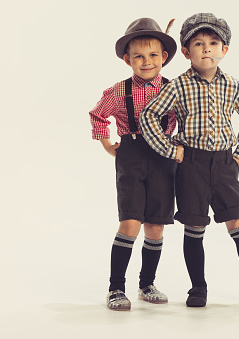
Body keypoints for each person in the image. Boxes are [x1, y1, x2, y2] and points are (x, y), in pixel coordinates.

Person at [139, 13, 239, 307]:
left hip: (225, 165)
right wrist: (169, 149)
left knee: (238, 221)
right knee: (195, 226)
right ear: (186, 52)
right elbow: (148, 115)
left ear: (224, 50)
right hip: (192, 166)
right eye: (198, 43)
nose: (207, 48)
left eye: (214, 42)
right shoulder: (178, 86)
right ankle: (198, 288)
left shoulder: (232, 85)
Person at [89, 17, 177, 311]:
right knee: (130, 222)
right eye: (138, 56)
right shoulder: (118, 91)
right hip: (131, 155)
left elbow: (186, 120)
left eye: (153, 55)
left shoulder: (173, 89)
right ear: (128, 60)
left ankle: (147, 283)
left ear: (164, 57)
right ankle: (115, 288)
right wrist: (107, 143)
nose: (146, 61)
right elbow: (97, 115)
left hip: (164, 158)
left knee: (155, 226)